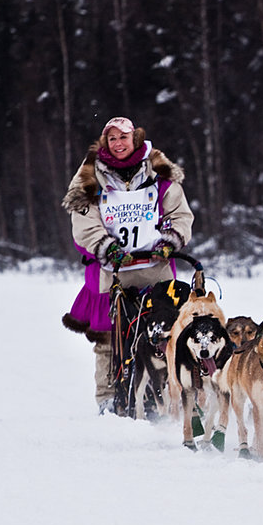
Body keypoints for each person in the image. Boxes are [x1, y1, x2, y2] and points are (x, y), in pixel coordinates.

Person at [61, 116, 194, 414]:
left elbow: (180, 214)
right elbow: (83, 221)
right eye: (112, 138)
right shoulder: (90, 172)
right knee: (108, 336)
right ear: (105, 141)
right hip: (111, 269)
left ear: (135, 138)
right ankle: (108, 399)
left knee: (160, 331)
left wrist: (170, 240)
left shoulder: (157, 169)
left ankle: (160, 394)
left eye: (124, 137)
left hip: (153, 268)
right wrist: (106, 247)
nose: (118, 143)